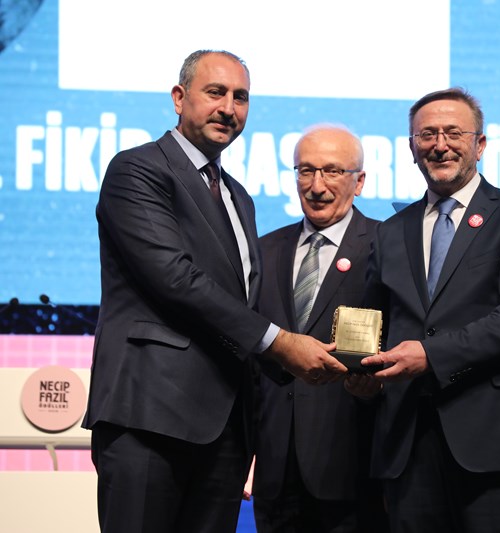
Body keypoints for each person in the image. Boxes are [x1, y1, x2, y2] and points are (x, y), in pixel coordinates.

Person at [82, 50, 346, 533]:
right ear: (179, 98)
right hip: (149, 415)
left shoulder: (238, 196)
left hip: (225, 429)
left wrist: (312, 366)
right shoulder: (137, 170)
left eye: (240, 97)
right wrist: (282, 344)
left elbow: (240, 303)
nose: (228, 108)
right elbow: (175, 278)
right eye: (215, 92)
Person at [361, 87, 500, 533]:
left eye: (453, 133)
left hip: (496, 440)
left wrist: (430, 355)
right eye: (427, 134)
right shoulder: (390, 232)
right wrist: (359, 371)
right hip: (407, 443)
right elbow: (376, 323)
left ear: (480, 144)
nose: (440, 144)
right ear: (412, 147)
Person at [252, 124, 387, 533]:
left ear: (359, 182)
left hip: (354, 469)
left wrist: (376, 386)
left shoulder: (388, 246)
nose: (316, 186)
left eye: (332, 171)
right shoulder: (264, 250)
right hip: (275, 473)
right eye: (306, 171)